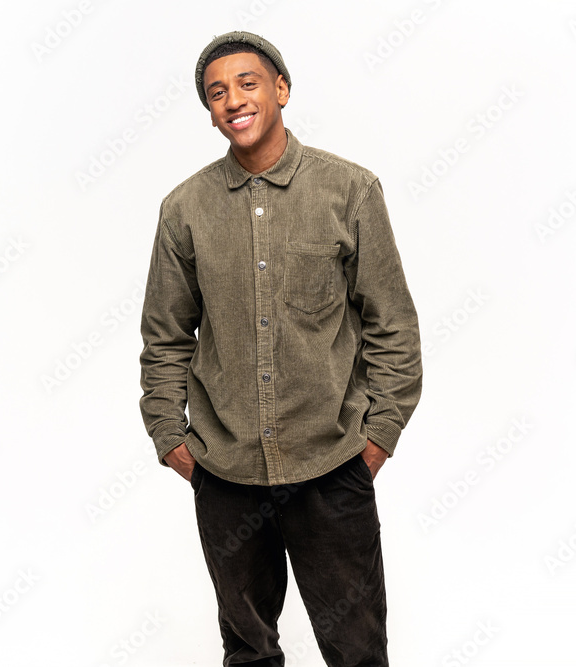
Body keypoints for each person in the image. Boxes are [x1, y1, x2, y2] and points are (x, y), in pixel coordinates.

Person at [138, 30, 423, 667]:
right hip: (227, 472)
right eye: (216, 93)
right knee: (248, 652)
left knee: (357, 652)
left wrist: (375, 438)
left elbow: (393, 327)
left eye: (247, 83)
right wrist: (171, 439)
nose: (233, 100)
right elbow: (164, 337)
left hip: (331, 466)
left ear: (281, 90)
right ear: (209, 110)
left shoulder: (350, 191)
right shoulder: (183, 210)